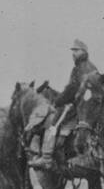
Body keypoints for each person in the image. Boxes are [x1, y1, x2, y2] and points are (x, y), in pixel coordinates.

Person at [31, 39, 99, 170]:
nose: (73, 54)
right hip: (87, 106)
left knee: (53, 122)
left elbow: (71, 90)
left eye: (76, 50)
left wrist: (57, 102)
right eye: (72, 51)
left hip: (77, 106)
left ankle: (46, 157)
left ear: (84, 52)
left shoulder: (80, 68)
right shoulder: (93, 67)